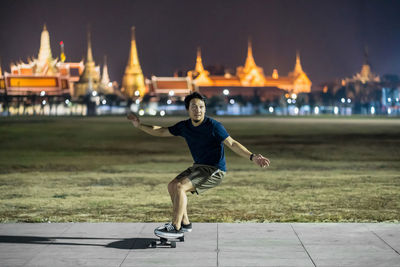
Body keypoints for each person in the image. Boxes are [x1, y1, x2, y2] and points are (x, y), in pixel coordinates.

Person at [127, 92, 270, 239]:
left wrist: (252, 156)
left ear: (205, 109)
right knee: (172, 186)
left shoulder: (214, 126)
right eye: (194, 107)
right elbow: (162, 131)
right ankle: (185, 223)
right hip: (198, 167)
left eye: (201, 107)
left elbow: (232, 143)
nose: (198, 110)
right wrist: (139, 125)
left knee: (180, 187)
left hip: (214, 170)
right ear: (188, 109)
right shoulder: (185, 126)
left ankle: (175, 227)